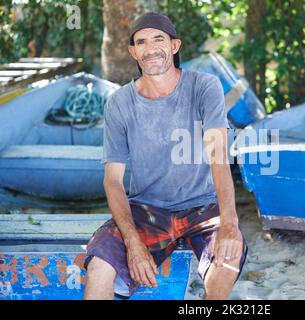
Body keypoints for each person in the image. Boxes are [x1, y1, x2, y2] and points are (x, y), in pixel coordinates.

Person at [83, 12, 247, 300]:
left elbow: (219, 157)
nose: (150, 48)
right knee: (98, 268)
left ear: (174, 46)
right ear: (133, 52)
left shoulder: (204, 87)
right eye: (141, 42)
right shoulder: (120, 103)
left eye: (158, 39)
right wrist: (133, 242)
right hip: (147, 209)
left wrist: (230, 224)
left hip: (203, 207)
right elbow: (113, 181)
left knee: (226, 262)